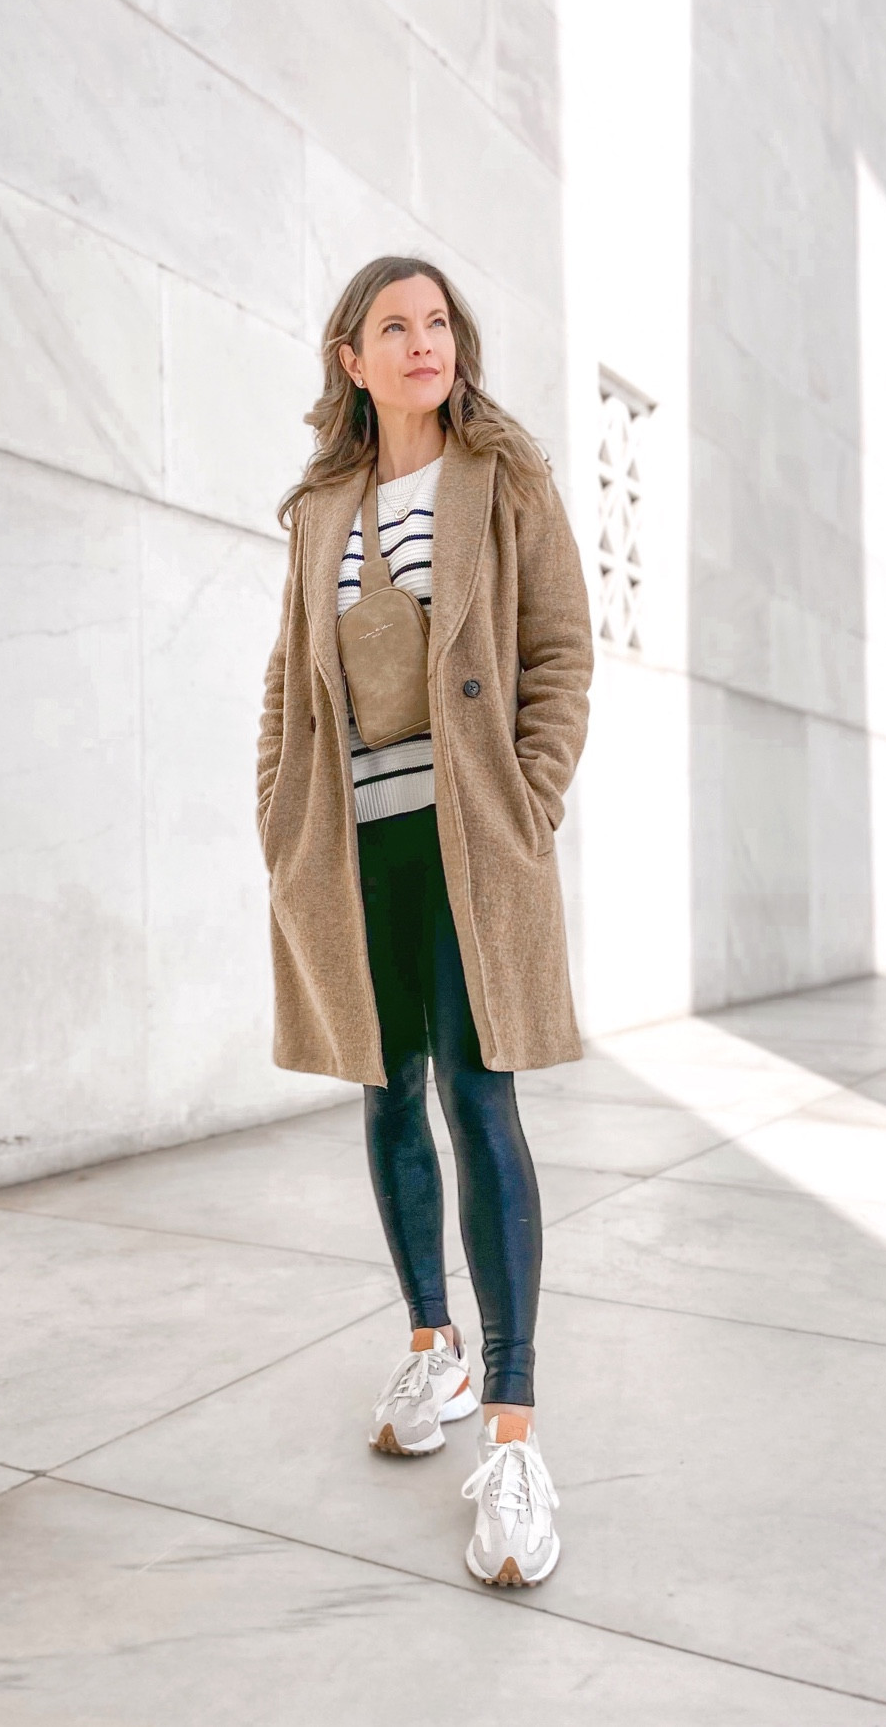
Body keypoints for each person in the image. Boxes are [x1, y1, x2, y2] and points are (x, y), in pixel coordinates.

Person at [256, 255, 593, 1588]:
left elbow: (558, 652)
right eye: (393, 327)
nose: (422, 343)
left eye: (437, 322)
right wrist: (280, 815)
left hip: (471, 846)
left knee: (478, 1094)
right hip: (355, 852)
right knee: (388, 1093)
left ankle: (511, 1426)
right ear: (350, 358)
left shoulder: (504, 477)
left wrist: (530, 800)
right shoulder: (320, 509)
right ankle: (430, 1346)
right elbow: (287, 682)